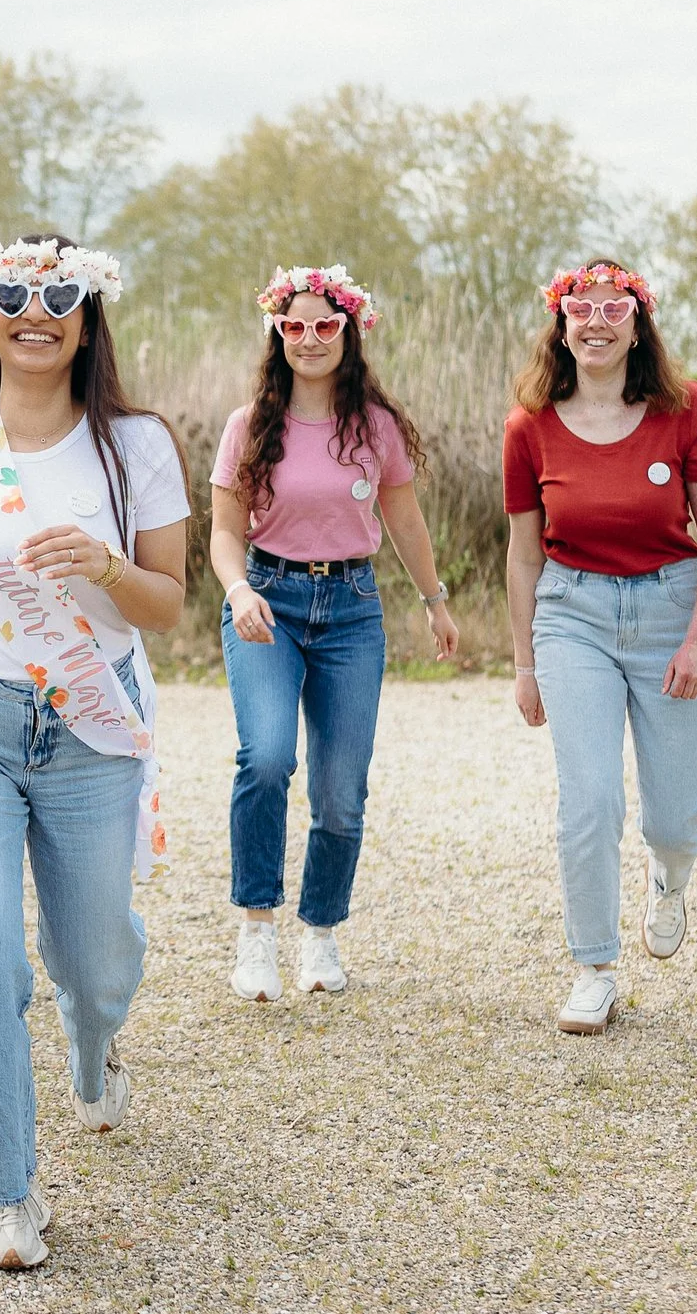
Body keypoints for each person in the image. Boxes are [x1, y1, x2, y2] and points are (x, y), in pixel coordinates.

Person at [0, 236, 190, 1271]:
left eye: (59, 295)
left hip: (88, 728)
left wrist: (103, 565)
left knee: (95, 958)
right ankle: (11, 1194)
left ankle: (92, 1031)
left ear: (86, 317)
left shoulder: (135, 447)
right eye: (12, 293)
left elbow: (169, 603)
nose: (34, 310)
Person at [209, 265, 457, 1002]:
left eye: (324, 325)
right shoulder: (249, 424)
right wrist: (238, 587)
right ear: (276, 334)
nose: (309, 338)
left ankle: (319, 931)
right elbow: (222, 534)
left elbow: (405, 519)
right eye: (294, 326)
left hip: (351, 605)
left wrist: (434, 600)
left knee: (340, 788)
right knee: (266, 757)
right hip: (268, 600)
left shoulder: (375, 426)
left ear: (349, 331)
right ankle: (257, 929)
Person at [504, 259, 697, 1036]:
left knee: (674, 814)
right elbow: (521, 553)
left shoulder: (685, 407)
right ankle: (593, 968)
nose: (596, 322)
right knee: (590, 795)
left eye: (614, 308)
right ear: (561, 323)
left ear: (639, 323)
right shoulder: (528, 423)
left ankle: (669, 875)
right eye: (582, 308)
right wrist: (524, 662)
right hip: (571, 611)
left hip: (672, 604)